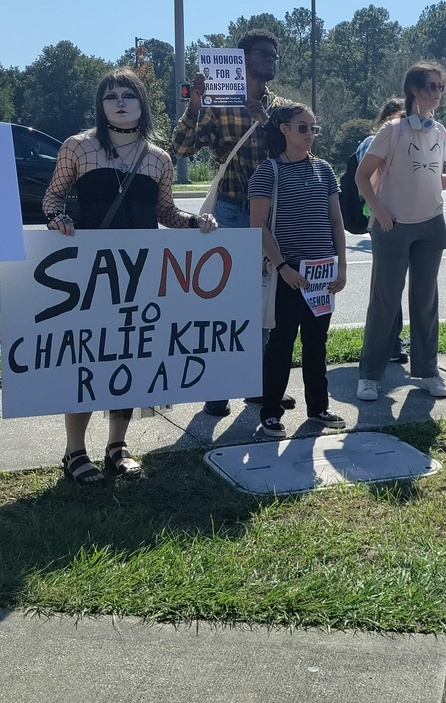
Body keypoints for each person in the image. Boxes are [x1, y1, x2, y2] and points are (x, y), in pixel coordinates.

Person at [45, 69, 217, 484]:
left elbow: (166, 213)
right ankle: (74, 452)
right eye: (111, 96)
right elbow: (53, 197)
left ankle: (117, 447)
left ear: (142, 104)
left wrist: (197, 223)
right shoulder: (78, 146)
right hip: (91, 274)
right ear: (100, 105)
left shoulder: (159, 158)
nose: (120, 102)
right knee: (88, 358)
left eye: (129, 95)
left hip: (140, 274)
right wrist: (57, 219)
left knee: (129, 356)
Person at [172, 29, 291, 417]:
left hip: (275, 215)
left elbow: (299, 151)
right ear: (242, 59)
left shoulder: (283, 109)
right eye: (262, 53)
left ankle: (254, 384)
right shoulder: (220, 106)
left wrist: (268, 123)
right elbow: (181, 148)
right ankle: (219, 389)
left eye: (274, 54)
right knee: (226, 303)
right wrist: (195, 105)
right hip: (233, 212)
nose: (270, 58)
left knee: (265, 302)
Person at [354, 62, 446, 401]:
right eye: (431, 86)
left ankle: (428, 371)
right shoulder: (392, 130)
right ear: (413, 89)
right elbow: (362, 175)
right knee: (385, 301)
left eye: (441, 87)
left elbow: (435, 179)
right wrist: (379, 211)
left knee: (426, 301)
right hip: (393, 224)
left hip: (431, 223)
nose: (437, 92)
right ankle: (369, 375)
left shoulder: (439, 131)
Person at [249, 102, 348, 436]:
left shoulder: (325, 169)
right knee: (281, 343)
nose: (310, 134)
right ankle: (270, 411)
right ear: (285, 130)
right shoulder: (268, 171)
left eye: (313, 128)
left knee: (316, 343)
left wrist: (341, 266)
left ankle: (318, 407)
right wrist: (283, 268)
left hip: (323, 274)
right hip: (289, 273)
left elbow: (336, 221)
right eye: (303, 127)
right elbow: (258, 226)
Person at [356, 97, 409, 364]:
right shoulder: (374, 141)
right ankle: (391, 343)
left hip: (396, 217)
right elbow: (366, 178)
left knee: (392, 284)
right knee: (389, 286)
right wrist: (380, 213)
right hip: (386, 218)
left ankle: (392, 340)